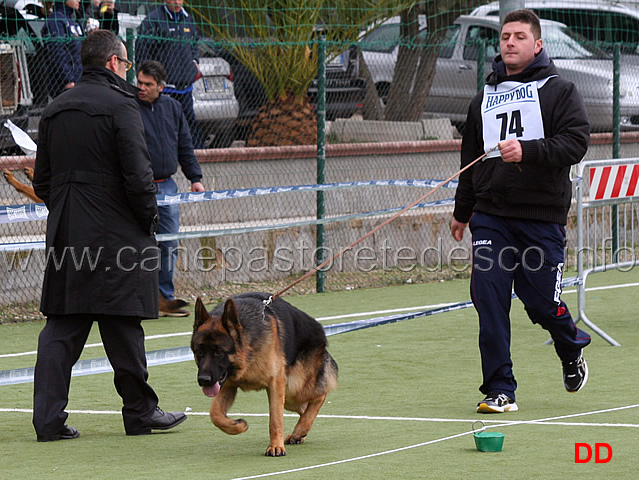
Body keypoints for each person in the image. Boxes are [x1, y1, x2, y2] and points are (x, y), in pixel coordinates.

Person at [32, 29, 187, 441]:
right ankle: (140, 413)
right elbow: (138, 175)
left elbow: (42, 181)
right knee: (123, 326)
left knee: (62, 328)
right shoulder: (122, 106)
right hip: (118, 234)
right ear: (113, 63)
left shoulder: (55, 109)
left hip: (67, 233)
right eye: (126, 63)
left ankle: (47, 421)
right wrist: (147, 219)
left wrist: (69, 211)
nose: (128, 71)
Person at [450, 9, 592, 414]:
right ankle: (500, 389)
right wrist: (463, 213)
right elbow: (471, 159)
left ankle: (570, 346)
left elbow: (575, 143)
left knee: (542, 303)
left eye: (518, 37)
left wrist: (526, 150)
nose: (509, 42)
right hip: (491, 217)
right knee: (489, 296)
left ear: (537, 44)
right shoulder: (485, 97)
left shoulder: (559, 91)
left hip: (541, 218)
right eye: (504, 37)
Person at [136, 60, 204, 316]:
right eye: (139, 83)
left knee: (168, 244)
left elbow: (185, 144)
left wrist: (194, 177)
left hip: (168, 188)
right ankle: (139, 299)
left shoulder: (173, 108)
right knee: (138, 245)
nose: (141, 88)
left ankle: (164, 298)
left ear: (161, 87)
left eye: (148, 85)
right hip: (138, 189)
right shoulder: (129, 108)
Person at [135, 0, 204, 148]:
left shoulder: (188, 19)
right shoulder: (152, 21)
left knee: (189, 125)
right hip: (164, 89)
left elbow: (194, 43)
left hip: (185, 88)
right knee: (164, 127)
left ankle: (195, 156)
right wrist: (150, 79)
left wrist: (194, 61)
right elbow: (142, 53)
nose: (177, 2)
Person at [41, 0, 85, 98]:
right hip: (65, 85)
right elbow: (57, 53)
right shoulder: (55, 21)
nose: (79, 0)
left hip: (79, 82)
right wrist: (68, 80)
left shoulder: (73, 20)